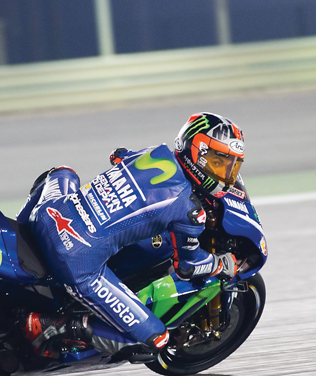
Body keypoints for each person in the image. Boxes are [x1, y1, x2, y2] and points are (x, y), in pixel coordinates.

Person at [16, 112, 246, 361]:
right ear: (195, 152)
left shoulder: (154, 153)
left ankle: (17, 232)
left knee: (62, 172)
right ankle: (54, 324)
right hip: (75, 260)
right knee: (157, 341)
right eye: (217, 161)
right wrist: (222, 263)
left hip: (49, 214)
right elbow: (188, 267)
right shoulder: (190, 211)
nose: (225, 173)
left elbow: (118, 156)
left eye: (232, 165)